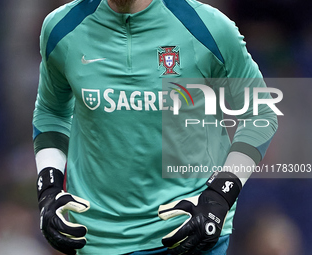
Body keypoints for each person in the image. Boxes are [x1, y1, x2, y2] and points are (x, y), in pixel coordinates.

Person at [32, 0, 278, 254]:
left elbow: (261, 113)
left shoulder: (207, 28)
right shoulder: (61, 29)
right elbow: (51, 112)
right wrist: (48, 187)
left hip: (190, 230)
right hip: (97, 239)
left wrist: (220, 195)